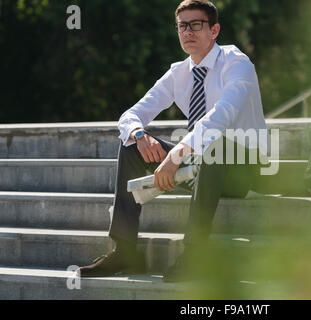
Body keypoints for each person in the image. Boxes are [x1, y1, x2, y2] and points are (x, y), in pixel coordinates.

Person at [77, 0, 268, 282]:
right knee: (131, 145)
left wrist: (175, 155)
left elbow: (220, 117)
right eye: (182, 26)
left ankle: (195, 255)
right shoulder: (179, 72)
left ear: (214, 30)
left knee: (216, 143)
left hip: (242, 168)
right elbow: (132, 114)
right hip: (198, 165)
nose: (187, 31)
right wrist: (139, 135)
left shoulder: (237, 63)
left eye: (196, 25)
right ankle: (126, 250)